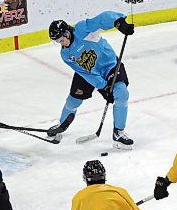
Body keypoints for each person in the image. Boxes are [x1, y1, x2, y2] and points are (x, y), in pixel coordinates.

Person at [47, 12, 135, 149]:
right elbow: (85, 72)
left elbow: (101, 20)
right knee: (73, 100)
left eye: (61, 39)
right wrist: (102, 86)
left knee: (121, 93)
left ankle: (118, 133)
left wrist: (118, 22)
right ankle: (61, 125)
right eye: (57, 42)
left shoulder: (82, 30)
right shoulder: (65, 54)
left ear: (67, 33)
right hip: (90, 73)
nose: (61, 43)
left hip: (109, 65)